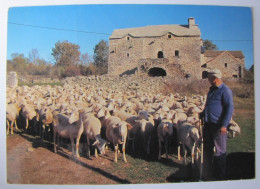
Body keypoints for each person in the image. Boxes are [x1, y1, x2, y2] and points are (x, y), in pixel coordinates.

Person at [200, 68, 234, 180]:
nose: (208, 79)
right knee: (207, 150)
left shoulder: (225, 90)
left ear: (215, 78)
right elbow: (208, 104)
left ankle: (220, 177)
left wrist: (224, 125)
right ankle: (208, 174)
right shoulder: (211, 90)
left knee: (220, 151)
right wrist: (203, 112)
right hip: (208, 124)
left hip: (218, 126)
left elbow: (229, 109)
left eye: (209, 77)